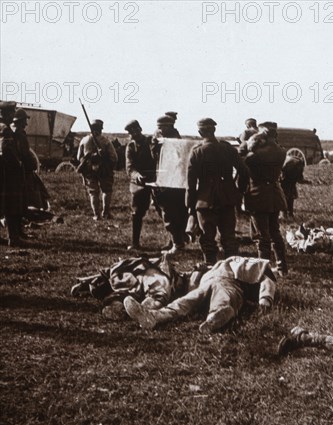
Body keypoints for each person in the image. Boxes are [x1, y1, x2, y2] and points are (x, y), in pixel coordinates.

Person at [123, 255, 277, 333]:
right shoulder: (216, 266)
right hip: (207, 283)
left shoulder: (259, 265)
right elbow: (190, 282)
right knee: (185, 301)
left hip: (230, 283)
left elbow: (268, 281)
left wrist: (265, 300)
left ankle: (214, 319)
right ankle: (154, 316)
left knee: (223, 298)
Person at [186, 118, 249, 264]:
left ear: (200, 132)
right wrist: (239, 192)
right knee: (229, 238)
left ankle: (210, 269)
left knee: (208, 239)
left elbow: (191, 182)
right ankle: (232, 271)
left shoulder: (196, 152)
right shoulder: (228, 149)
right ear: (214, 130)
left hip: (204, 201)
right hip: (227, 199)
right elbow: (244, 172)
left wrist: (190, 204)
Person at [71, 252, 186, 320]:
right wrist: (85, 284)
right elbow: (100, 278)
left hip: (148, 273)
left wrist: (84, 283)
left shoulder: (115, 269)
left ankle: (146, 308)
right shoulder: (116, 289)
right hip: (136, 289)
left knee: (158, 291)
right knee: (120, 299)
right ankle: (122, 310)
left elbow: (100, 275)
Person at [244, 122, 289, 276]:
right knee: (275, 232)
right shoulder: (282, 151)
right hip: (275, 195)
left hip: (258, 196)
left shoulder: (255, 155)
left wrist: (249, 143)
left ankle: (263, 270)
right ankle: (282, 267)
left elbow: (243, 158)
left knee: (261, 236)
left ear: (263, 133)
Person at [151, 115, 188, 252]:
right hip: (165, 180)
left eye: (161, 127)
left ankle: (177, 242)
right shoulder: (159, 138)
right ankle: (175, 240)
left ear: (169, 126)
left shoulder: (176, 140)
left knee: (172, 212)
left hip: (174, 181)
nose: (159, 130)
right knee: (168, 211)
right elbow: (154, 157)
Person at [124, 120, 157, 251]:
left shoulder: (151, 142)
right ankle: (135, 243)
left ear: (140, 129)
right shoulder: (131, 147)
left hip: (155, 179)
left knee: (165, 210)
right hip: (139, 183)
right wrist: (137, 175)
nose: (134, 134)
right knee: (137, 212)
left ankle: (173, 243)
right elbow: (129, 167)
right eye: (131, 132)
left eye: (136, 130)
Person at [76, 119, 118, 220]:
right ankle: (106, 213)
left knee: (93, 192)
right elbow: (114, 157)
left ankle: (96, 215)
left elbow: (78, 157)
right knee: (106, 190)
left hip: (89, 170)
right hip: (104, 170)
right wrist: (109, 165)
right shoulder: (106, 141)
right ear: (100, 129)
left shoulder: (84, 140)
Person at [1, 105, 28, 246]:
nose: (13, 115)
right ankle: (14, 238)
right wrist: (18, 165)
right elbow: (6, 152)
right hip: (7, 173)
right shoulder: (4, 129)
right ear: (5, 113)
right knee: (11, 205)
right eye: (12, 112)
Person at [280, 153, 304, 219]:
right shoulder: (296, 161)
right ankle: (290, 213)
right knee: (290, 191)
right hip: (296, 167)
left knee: (284, 193)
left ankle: (284, 213)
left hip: (288, 169)